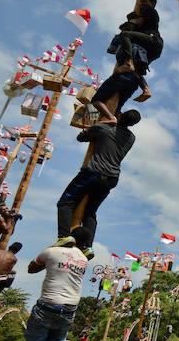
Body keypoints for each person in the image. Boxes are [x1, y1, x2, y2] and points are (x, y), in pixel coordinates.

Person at [56, 109, 140, 257]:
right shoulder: (131, 138)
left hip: (94, 173)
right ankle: (87, 247)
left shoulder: (103, 128)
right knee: (90, 212)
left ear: (120, 116)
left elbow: (81, 137)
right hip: (112, 178)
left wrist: (104, 121)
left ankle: (64, 237)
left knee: (65, 202)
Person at [24, 227, 90, 341]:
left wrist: (53, 250)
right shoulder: (84, 260)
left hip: (48, 304)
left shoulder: (52, 251)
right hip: (69, 308)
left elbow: (31, 269)